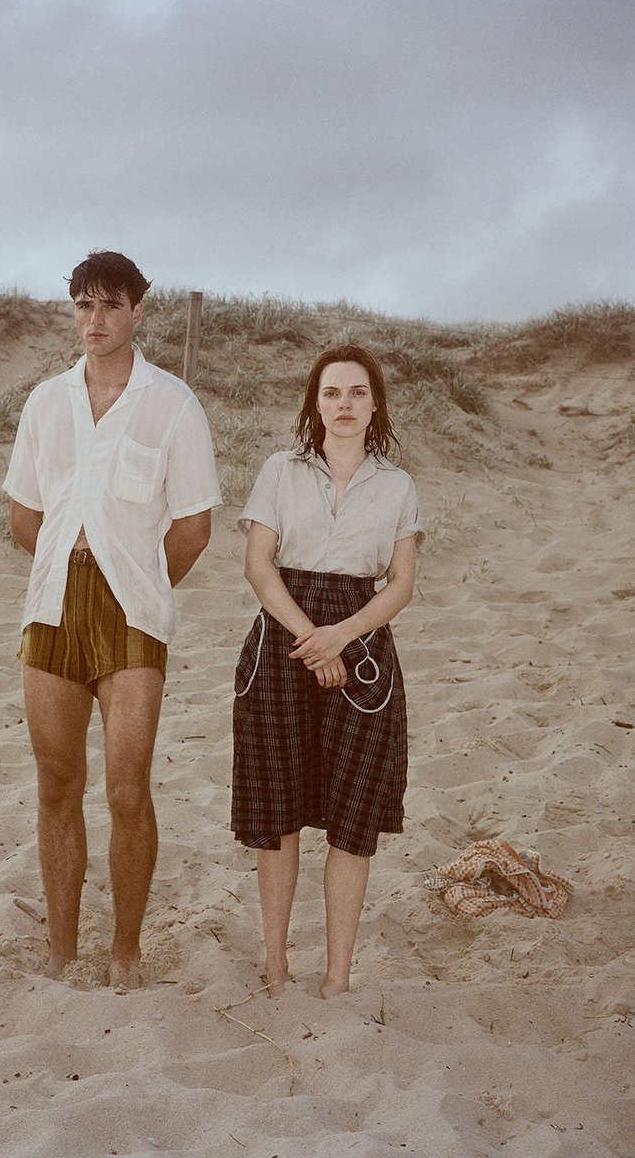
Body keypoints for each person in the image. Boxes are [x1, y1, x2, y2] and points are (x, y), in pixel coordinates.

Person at [3, 250, 222, 989]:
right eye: (82, 306)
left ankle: (125, 952)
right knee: (57, 782)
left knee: (127, 788)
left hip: (133, 613)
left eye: (109, 306)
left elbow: (193, 528)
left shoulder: (172, 404)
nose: (94, 321)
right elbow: (23, 516)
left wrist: (141, 585)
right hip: (52, 604)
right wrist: (69, 562)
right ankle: (63, 952)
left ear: (137, 312)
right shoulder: (44, 403)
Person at [231, 344, 422, 998]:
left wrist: (340, 635)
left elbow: (399, 584)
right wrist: (310, 637)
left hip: (362, 643)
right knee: (279, 809)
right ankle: (277, 966)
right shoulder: (281, 471)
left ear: (375, 405)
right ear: (316, 402)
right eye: (332, 393)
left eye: (357, 393)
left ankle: (338, 976)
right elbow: (259, 565)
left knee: (352, 814)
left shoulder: (397, 486)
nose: (344, 405)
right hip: (283, 640)